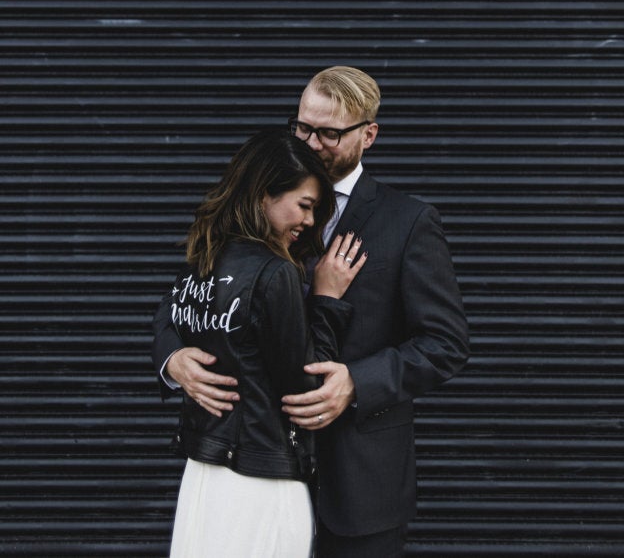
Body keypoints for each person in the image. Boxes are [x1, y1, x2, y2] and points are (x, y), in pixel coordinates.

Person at [157, 66, 470, 558]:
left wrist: (357, 383)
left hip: (360, 484)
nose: (312, 143)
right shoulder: (261, 201)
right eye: (302, 128)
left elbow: (445, 343)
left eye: (329, 132)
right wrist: (172, 357)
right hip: (255, 471)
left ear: (369, 135)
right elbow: (189, 291)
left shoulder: (408, 222)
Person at [151, 130, 367, 557]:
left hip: (205, 472)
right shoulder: (275, 273)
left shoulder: (207, 255)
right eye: (304, 206)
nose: (309, 222)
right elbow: (307, 386)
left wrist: (171, 354)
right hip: (261, 477)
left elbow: (170, 315)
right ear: (263, 194)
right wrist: (326, 301)